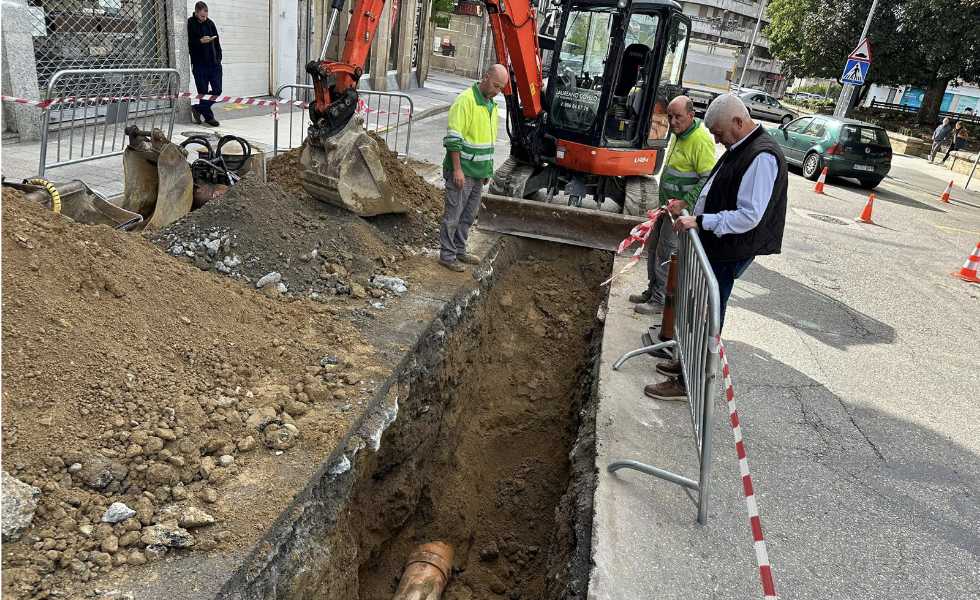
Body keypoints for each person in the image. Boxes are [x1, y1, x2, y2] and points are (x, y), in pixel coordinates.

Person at [645, 93, 788, 401]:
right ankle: (684, 363)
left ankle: (688, 382)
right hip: (717, 247)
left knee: (707, 316)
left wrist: (702, 221)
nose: (717, 139)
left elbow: (749, 216)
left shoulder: (761, 156)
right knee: (697, 311)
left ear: (738, 121)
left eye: (720, 133)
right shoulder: (742, 146)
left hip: (729, 250)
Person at [631, 95, 716, 315]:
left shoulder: (700, 140)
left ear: (691, 115)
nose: (673, 121)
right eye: (670, 116)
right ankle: (652, 290)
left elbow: (707, 179)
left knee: (666, 253)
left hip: (680, 213)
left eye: (678, 117)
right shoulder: (679, 135)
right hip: (665, 208)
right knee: (654, 248)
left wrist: (685, 203)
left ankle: (660, 299)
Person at [439, 65, 508, 272]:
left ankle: (459, 249)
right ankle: (447, 255)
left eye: (501, 88)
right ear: (486, 77)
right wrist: (458, 170)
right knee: (453, 215)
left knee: (468, 215)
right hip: (463, 171)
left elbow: (487, 142)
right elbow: (453, 139)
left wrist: (487, 170)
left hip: (478, 173)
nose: (497, 91)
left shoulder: (491, 106)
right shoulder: (466, 101)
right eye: (496, 85)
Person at [187, 2, 222, 127]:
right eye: (202, 16)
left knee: (217, 90)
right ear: (196, 13)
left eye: (206, 16)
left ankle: (197, 108)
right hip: (199, 64)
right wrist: (200, 41)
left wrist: (218, 58)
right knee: (203, 92)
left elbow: (217, 42)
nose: (204, 18)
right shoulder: (190, 23)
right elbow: (189, 44)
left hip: (213, 64)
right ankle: (208, 118)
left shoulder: (210, 23)